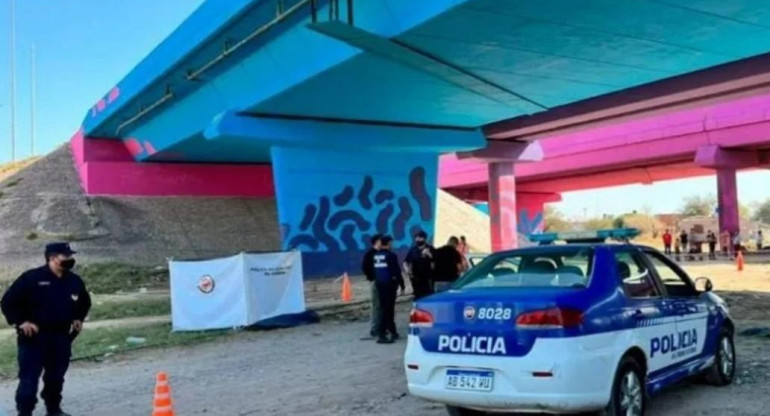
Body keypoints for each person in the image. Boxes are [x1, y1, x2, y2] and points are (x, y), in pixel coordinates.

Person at [1, 243, 92, 416]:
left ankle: (54, 410)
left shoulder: (73, 280)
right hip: (33, 339)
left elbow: (84, 302)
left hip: (61, 337)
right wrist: (21, 322)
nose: (70, 259)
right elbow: (7, 302)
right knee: (29, 380)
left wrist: (78, 317)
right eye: (65, 256)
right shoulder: (31, 278)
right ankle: (25, 412)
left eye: (70, 256)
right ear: (52, 257)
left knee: (56, 378)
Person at [372, 236, 404, 344]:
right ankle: (382, 334)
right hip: (389, 285)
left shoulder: (376, 255)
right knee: (388, 310)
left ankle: (392, 331)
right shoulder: (391, 256)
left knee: (385, 308)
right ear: (389, 243)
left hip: (380, 284)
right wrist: (402, 285)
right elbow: (396, 271)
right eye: (392, 243)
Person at [361, 234, 382, 339]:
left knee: (382, 306)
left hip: (384, 283)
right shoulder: (370, 254)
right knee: (376, 306)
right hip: (375, 282)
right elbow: (365, 267)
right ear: (376, 242)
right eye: (380, 240)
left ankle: (382, 326)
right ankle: (374, 329)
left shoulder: (382, 253)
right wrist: (372, 278)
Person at [404, 231, 435, 300]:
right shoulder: (413, 250)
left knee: (427, 296)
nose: (417, 240)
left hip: (427, 278)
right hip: (416, 277)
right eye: (416, 238)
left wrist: (429, 254)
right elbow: (406, 262)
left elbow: (436, 260)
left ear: (424, 238)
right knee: (417, 296)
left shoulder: (430, 248)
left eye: (419, 238)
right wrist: (408, 271)